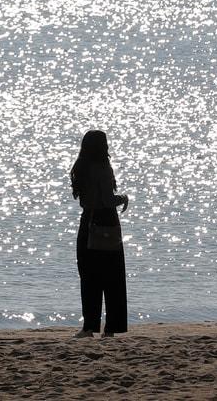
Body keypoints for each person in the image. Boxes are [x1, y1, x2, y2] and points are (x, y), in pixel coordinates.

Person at [70, 129, 129, 338]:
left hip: (88, 222)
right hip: (106, 222)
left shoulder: (81, 167)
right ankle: (111, 327)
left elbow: (86, 199)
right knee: (113, 278)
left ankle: (89, 326)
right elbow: (107, 200)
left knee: (89, 276)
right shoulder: (103, 167)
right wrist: (123, 198)